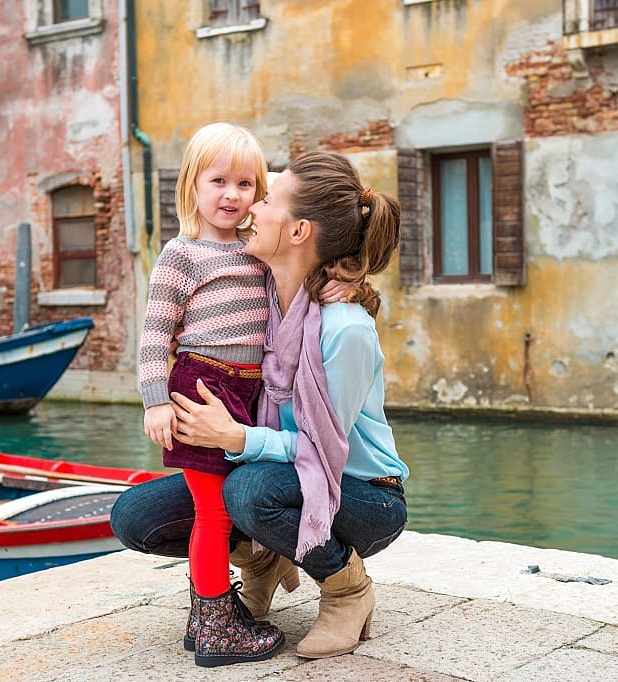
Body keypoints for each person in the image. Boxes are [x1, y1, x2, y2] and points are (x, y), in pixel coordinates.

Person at [114, 149, 409, 660]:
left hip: (365, 496)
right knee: (136, 515)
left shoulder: (346, 330)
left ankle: (346, 590)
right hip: (276, 472)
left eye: (265, 198)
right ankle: (266, 558)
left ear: (298, 233)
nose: (250, 206)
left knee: (250, 491)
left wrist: (236, 438)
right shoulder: (264, 296)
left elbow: (322, 451)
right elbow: (177, 317)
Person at [136, 121, 285, 667]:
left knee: (222, 510)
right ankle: (218, 624)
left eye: (245, 184)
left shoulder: (256, 251)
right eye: (219, 181)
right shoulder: (182, 255)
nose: (231, 194)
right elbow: (155, 334)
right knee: (213, 514)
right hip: (199, 387)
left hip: (247, 392)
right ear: (192, 185)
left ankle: (207, 619)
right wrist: (155, 400)